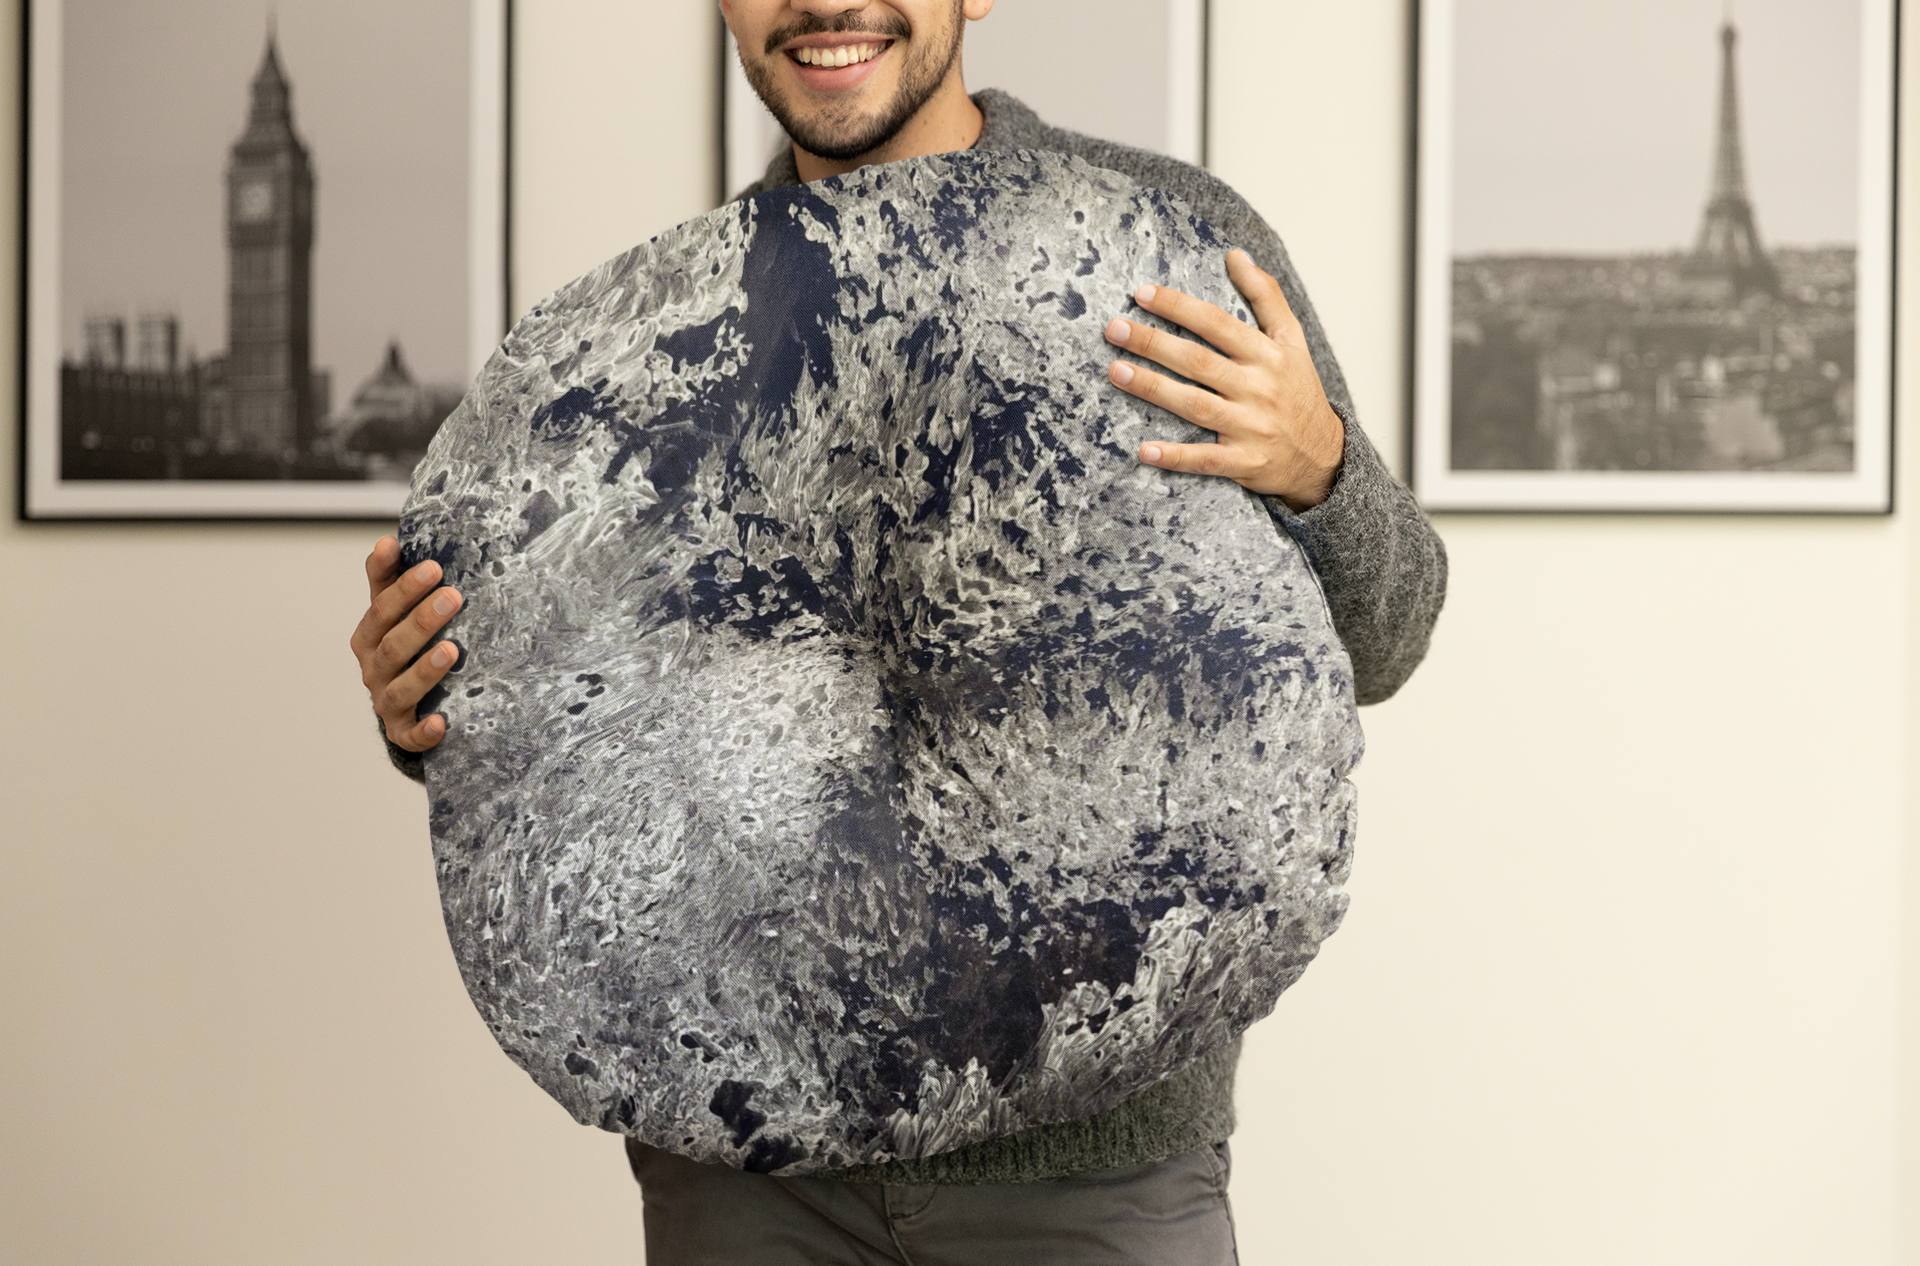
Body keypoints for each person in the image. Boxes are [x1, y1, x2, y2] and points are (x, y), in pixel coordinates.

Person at [349, 2, 1447, 1262]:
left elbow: (1393, 629)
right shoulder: (672, 336)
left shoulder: (1169, 248)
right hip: (751, 1162)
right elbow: (592, 728)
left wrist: (1322, 468)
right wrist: (431, 707)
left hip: (1093, 1173)